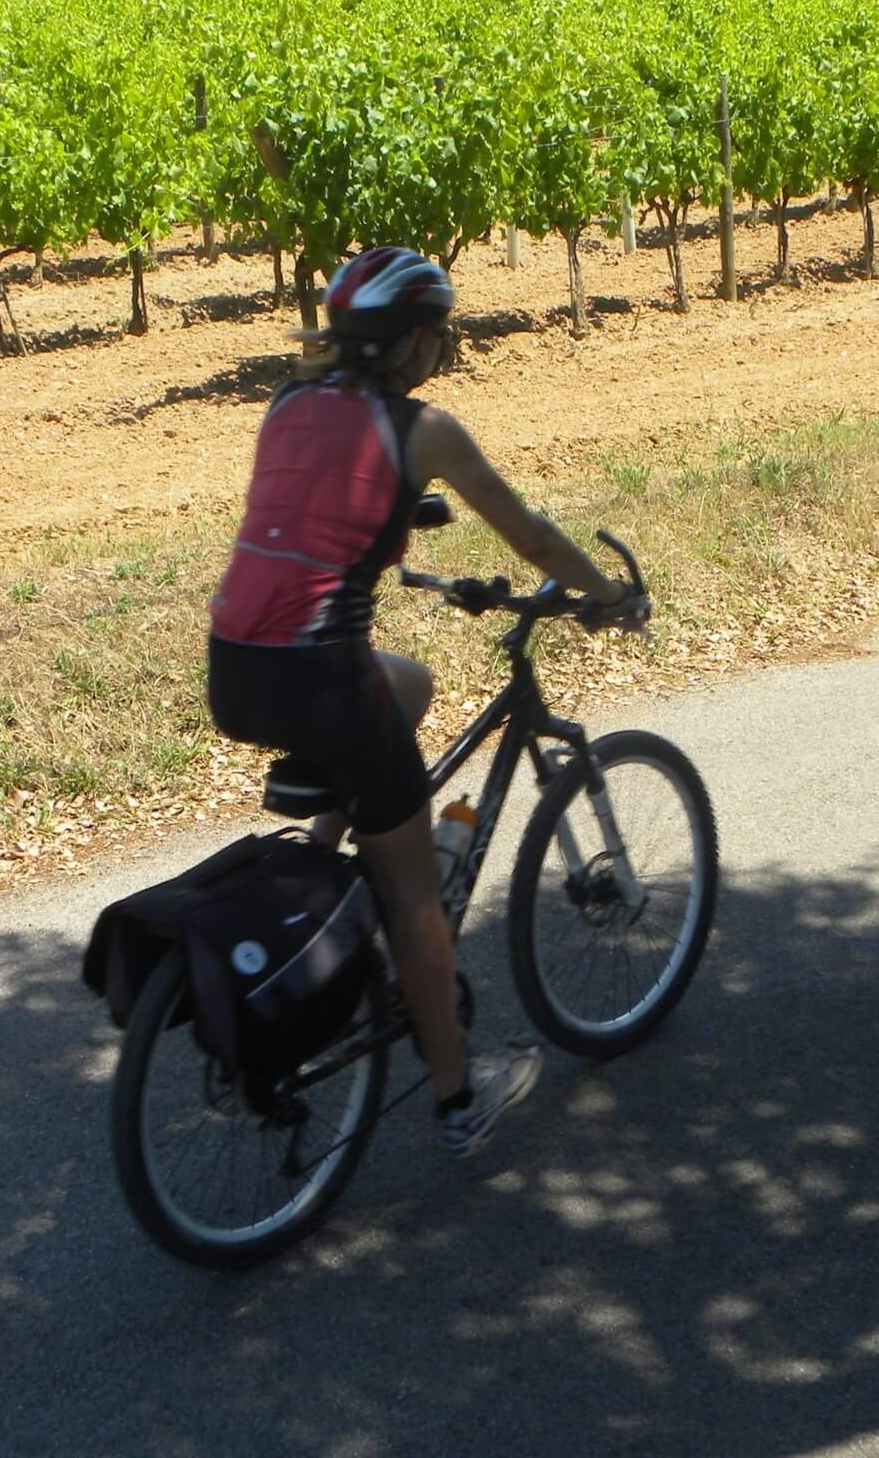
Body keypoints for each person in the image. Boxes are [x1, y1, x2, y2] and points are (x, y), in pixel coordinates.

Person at [206, 245, 636, 1156]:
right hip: (320, 677)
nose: (444, 345)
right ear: (415, 342)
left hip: (237, 667)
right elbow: (534, 537)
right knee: (417, 900)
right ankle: (457, 1099)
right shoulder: (427, 428)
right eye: (440, 331)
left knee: (410, 683)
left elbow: (319, 508)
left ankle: (324, 887)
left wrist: (406, 517)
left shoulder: (287, 402)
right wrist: (606, 595)